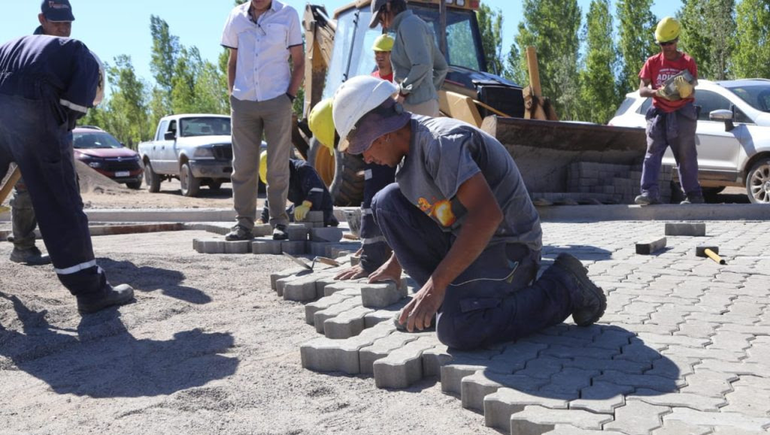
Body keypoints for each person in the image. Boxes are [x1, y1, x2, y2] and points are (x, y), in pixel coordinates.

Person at [332, 76, 606, 350]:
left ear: (384, 132)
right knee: (386, 202)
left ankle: (564, 287)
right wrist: (395, 263)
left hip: (510, 248)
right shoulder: (406, 163)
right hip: (470, 242)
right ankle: (449, 302)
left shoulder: (440, 143)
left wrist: (434, 286)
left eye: (363, 147)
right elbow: (429, 215)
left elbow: (487, 216)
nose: (365, 159)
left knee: (457, 329)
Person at [0, 35, 134, 314]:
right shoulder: (83, 58)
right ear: (97, 81)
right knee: (59, 200)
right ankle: (90, 290)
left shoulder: (35, 51)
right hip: (33, 96)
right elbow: (68, 115)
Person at [221, 0, 305, 241]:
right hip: (243, 101)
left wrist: (288, 97)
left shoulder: (288, 15)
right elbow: (232, 61)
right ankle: (243, 224)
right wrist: (232, 95)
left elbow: (299, 61)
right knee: (243, 167)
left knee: (278, 165)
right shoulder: (236, 16)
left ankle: (279, 222)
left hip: (277, 99)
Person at [9, 0, 77, 266]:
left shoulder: (70, 52)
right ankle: (23, 247)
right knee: (26, 188)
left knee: (67, 189)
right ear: (42, 19)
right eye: (57, 23)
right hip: (23, 130)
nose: (62, 29)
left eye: (67, 24)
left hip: (58, 131)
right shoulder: (28, 50)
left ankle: (70, 250)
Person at [635, 17, 702, 205]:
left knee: (686, 155)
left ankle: (693, 195)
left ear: (677, 40)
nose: (667, 47)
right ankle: (649, 194)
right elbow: (642, 90)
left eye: (670, 43)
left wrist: (686, 90)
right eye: (663, 43)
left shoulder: (688, 61)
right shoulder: (652, 62)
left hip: (682, 113)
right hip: (659, 113)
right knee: (652, 153)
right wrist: (658, 92)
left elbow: (693, 86)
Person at [369, 0, 448, 117]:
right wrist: (428, 91)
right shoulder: (418, 24)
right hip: (425, 105)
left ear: (389, 6)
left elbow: (422, 64)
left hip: (415, 107)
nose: (383, 25)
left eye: (381, 19)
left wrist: (402, 93)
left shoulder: (408, 25)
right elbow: (442, 67)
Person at [257, 151, 339, 227]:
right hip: (299, 206)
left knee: (312, 219)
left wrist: (306, 204)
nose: (277, 182)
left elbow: (316, 189)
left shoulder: (303, 169)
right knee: (285, 217)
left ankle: (329, 218)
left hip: (319, 206)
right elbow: (272, 197)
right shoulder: (278, 178)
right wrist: (263, 219)